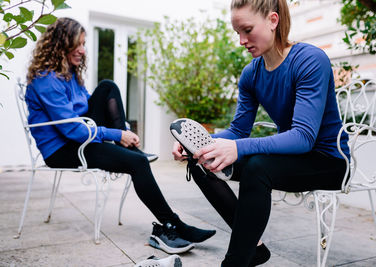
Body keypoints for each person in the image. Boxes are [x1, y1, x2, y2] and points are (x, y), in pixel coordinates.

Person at [172, 0, 350, 266]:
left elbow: (303, 137)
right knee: (202, 162)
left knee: (257, 167)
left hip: (329, 161)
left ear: (273, 21)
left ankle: (234, 262)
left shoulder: (310, 60)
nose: (242, 40)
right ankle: (252, 248)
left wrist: (238, 148)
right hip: (290, 160)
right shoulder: (251, 74)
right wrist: (197, 144)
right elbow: (238, 130)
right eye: (237, 33)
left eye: (247, 30)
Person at [25, 17, 216, 256]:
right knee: (137, 163)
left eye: (84, 44)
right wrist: (117, 133)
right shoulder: (46, 80)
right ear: (60, 45)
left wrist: (114, 129)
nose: (83, 50)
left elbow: (84, 110)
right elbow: (71, 129)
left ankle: (131, 152)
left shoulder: (69, 74)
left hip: (78, 140)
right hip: (62, 149)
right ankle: (173, 225)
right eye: (78, 44)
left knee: (107, 86)